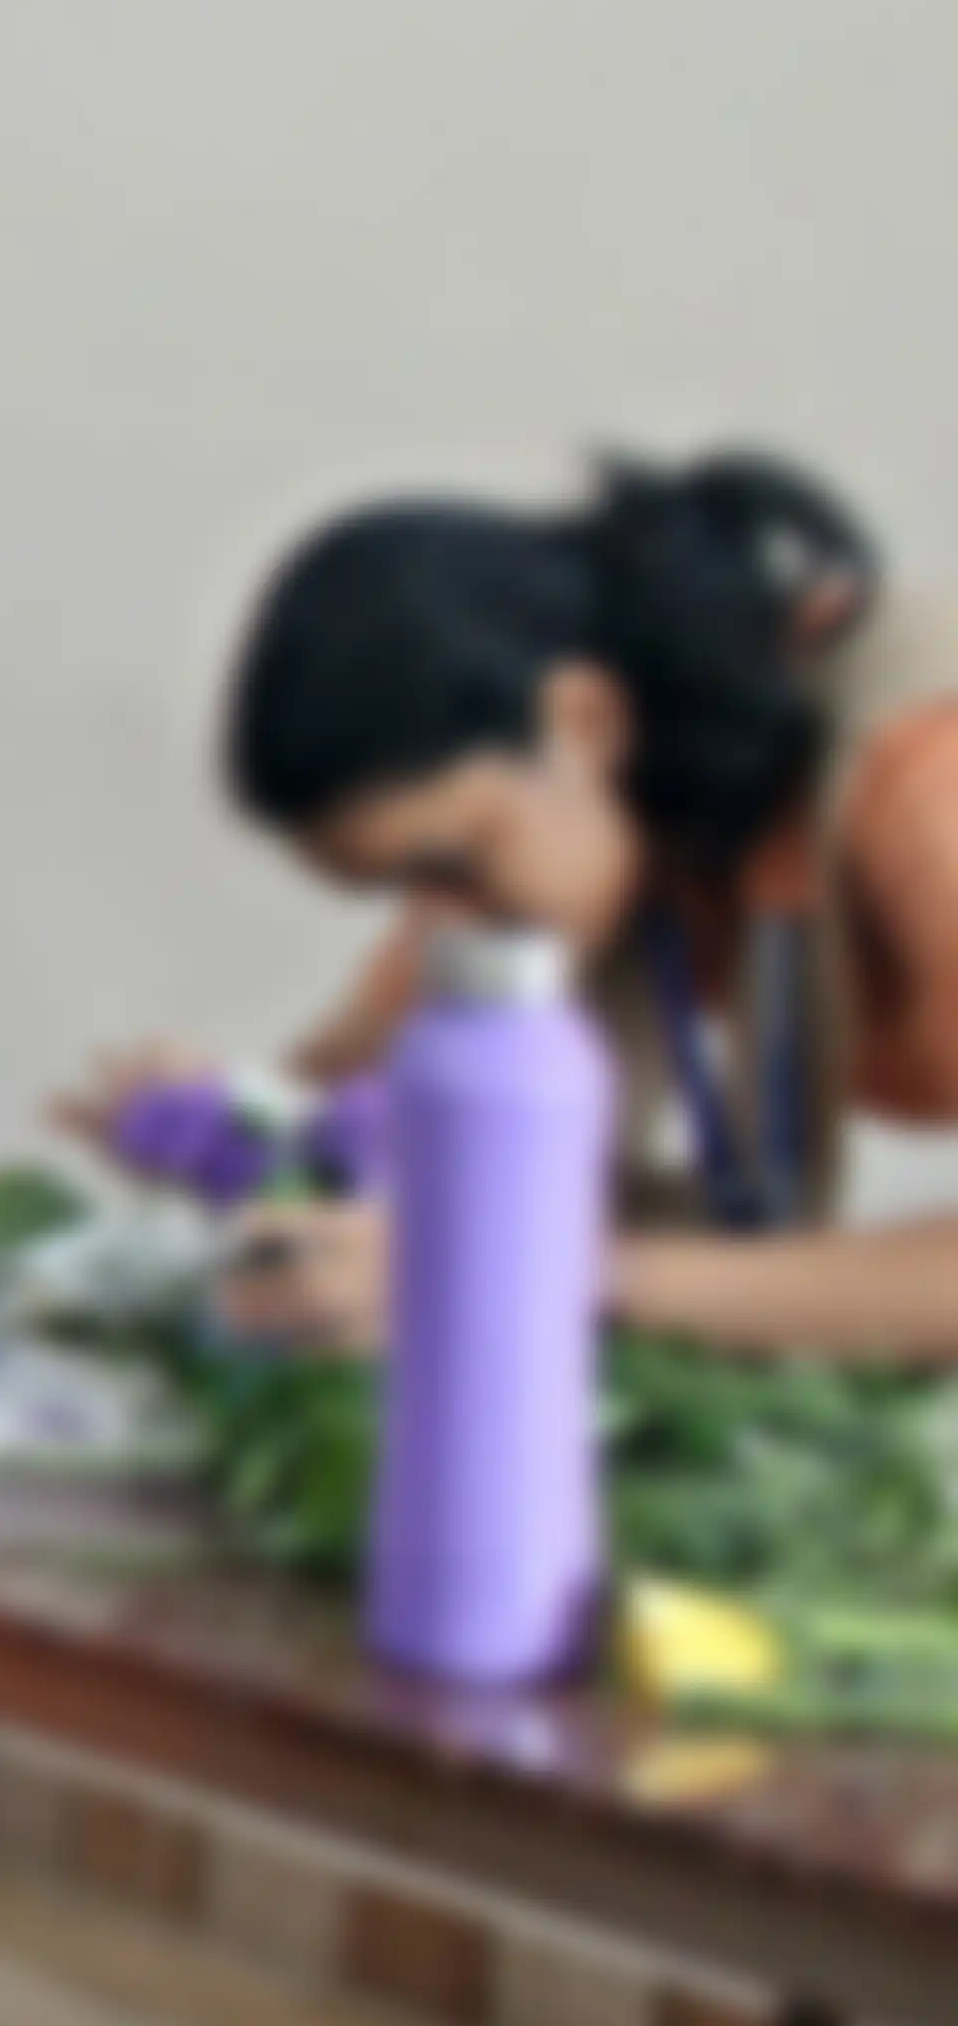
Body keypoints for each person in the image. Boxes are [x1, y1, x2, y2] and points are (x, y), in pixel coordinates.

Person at [186, 453, 958, 1363]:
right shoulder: (601, 831)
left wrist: (558, 1273)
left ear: (584, 719)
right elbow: (339, 1105)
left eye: (451, 863)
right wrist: (209, 1122)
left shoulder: (921, 786)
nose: (443, 925)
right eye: (399, 891)